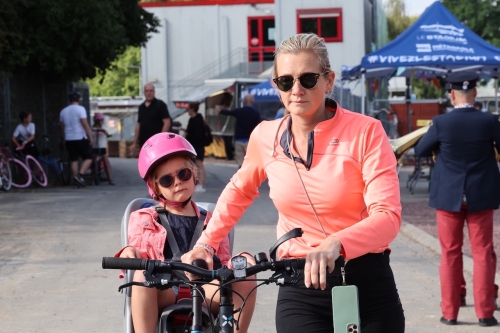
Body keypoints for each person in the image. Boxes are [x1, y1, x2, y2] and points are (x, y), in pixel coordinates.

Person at [182, 33, 405, 333]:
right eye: (285, 81)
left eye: (308, 79)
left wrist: (337, 243)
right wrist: (206, 244)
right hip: (300, 285)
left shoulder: (366, 132)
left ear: (328, 81)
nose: (296, 89)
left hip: (365, 281)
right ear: (276, 86)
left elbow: (387, 216)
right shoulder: (265, 136)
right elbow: (239, 191)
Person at [114, 132, 256, 333]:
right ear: (155, 188)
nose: (178, 182)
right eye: (166, 180)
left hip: (207, 290)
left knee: (244, 273)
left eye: (183, 174)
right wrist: (129, 251)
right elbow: (137, 259)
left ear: (194, 174)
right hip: (165, 289)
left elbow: (224, 264)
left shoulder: (213, 221)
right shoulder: (143, 218)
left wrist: (242, 258)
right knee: (142, 276)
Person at [415, 72, 500, 327]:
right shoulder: (489, 121)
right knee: (483, 252)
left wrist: (438, 148)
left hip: (448, 196)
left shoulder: (440, 123)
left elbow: (419, 150)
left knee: (450, 253)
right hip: (481, 194)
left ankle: (450, 312)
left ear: (451, 95)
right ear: (474, 93)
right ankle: (485, 313)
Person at [60, 91, 93, 187]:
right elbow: (84, 124)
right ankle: (80, 175)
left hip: (69, 138)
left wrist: (63, 139)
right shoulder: (80, 109)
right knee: (88, 157)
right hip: (80, 137)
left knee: (74, 159)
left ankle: (76, 180)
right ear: (78, 99)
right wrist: (90, 136)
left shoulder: (63, 111)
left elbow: (62, 127)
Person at [218, 94, 261, 168]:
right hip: (250, 141)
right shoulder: (256, 113)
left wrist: (221, 111)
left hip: (239, 140)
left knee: (240, 163)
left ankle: (242, 178)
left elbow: (229, 112)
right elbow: (259, 126)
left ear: (245, 101)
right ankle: (250, 178)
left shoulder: (239, 111)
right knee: (250, 162)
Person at [131, 83, 172, 155]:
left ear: (154, 92)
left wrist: (160, 140)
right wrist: (134, 142)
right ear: (144, 93)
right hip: (144, 143)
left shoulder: (160, 105)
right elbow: (138, 125)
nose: (149, 93)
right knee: (145, 164)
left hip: (157, 144)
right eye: (147, 91)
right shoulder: (141, 107)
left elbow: (167, 122)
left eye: (150, 91)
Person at [184, 102, 207, 193]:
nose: (187, 111)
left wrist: (188, 137)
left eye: (188, 109)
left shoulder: (198, 120)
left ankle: (201, 185)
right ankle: (196, 183)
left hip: (198, 146)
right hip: (193, 146)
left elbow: (197, 135)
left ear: (192, 109)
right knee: (194, 165)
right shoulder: (192, 119)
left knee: (199, 165)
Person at [91, 113, 114, 185]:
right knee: (93, 164)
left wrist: (105, 132)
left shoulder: (104, 128)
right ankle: (92, 179)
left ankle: (110, 179)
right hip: (95, 147)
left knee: (106, 163)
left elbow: (107, 133)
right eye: (101, 120)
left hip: (102, 147)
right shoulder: (92, 129)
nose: (102, 121)